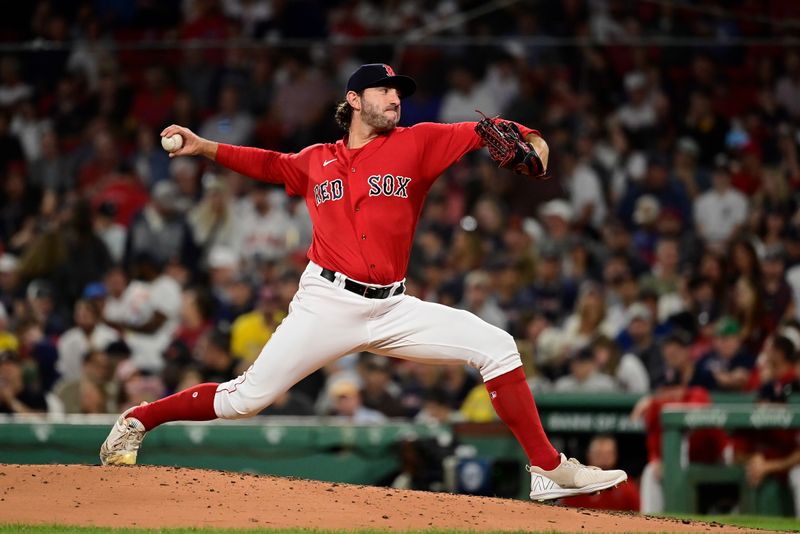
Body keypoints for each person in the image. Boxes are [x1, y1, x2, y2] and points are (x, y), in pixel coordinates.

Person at [100, 63, 626, 501]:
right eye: (384, 89)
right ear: (354, 99)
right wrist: (203, 146)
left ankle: (546, 468)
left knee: (498, 346)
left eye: (399, 91)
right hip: (326, 302)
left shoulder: (418, 143)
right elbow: (268, 163)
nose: (395, 97)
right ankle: (139, 419)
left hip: (393, 307)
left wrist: (537, 148)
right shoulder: (315, 160)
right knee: (245, 400)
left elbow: (504, 132)